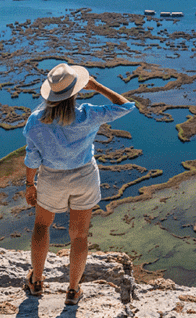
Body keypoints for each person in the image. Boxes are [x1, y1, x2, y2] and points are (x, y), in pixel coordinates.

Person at [23, 63, 135, 304]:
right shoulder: (88, 114)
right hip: (84, 177)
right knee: (79, 236)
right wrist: (96, 86)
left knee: (42, 225)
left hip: (51, 178)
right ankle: (73, 290)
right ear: (76, 91)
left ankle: (37, 281)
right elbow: (125, 106)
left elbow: (32, 158)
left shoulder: (36, 121)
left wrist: (29, 184)